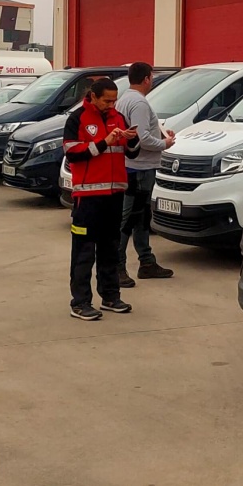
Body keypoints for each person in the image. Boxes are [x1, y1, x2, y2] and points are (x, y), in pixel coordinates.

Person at [63, 78, 140, 321]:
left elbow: (133, 152)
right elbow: (72, 154)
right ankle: (80, 302)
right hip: (87, 198)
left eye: (114, 100)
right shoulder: (78, 119)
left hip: (114, 195)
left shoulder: (118, 117)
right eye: (107, 100)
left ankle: (110, 296)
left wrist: (132, 138)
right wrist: (103, 143)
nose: (111, 104)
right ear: (93, 96)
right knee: (83, 252)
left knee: (110, 248)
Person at [115, 62, 176, 286]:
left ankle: (147, 262)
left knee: (141, 218)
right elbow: (141, 138)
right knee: (128, 220)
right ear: (147, 78)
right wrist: (164, 142)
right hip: (138, 170)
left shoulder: (125, 99)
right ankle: (117, 266)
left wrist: (159, 132)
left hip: (135, 167)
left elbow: (137, 131)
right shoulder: (139, 103)